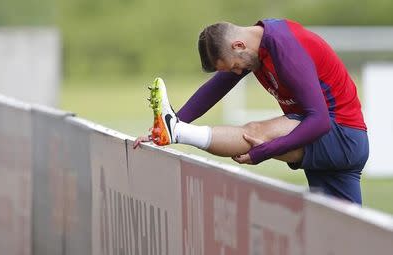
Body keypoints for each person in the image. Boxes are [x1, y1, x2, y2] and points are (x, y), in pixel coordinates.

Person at [133, 19, 369, 205]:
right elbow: (214, 89)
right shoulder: (253, 48)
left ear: (238, 45)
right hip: (341, 145)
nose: (236, 73)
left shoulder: (284, 48)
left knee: (256, 133)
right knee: (339, 235)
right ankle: (173, 128)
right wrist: (170, 122)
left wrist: (265, 150)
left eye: (234, 67)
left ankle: (178, 132)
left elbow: (319, 121)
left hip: (341, 135)